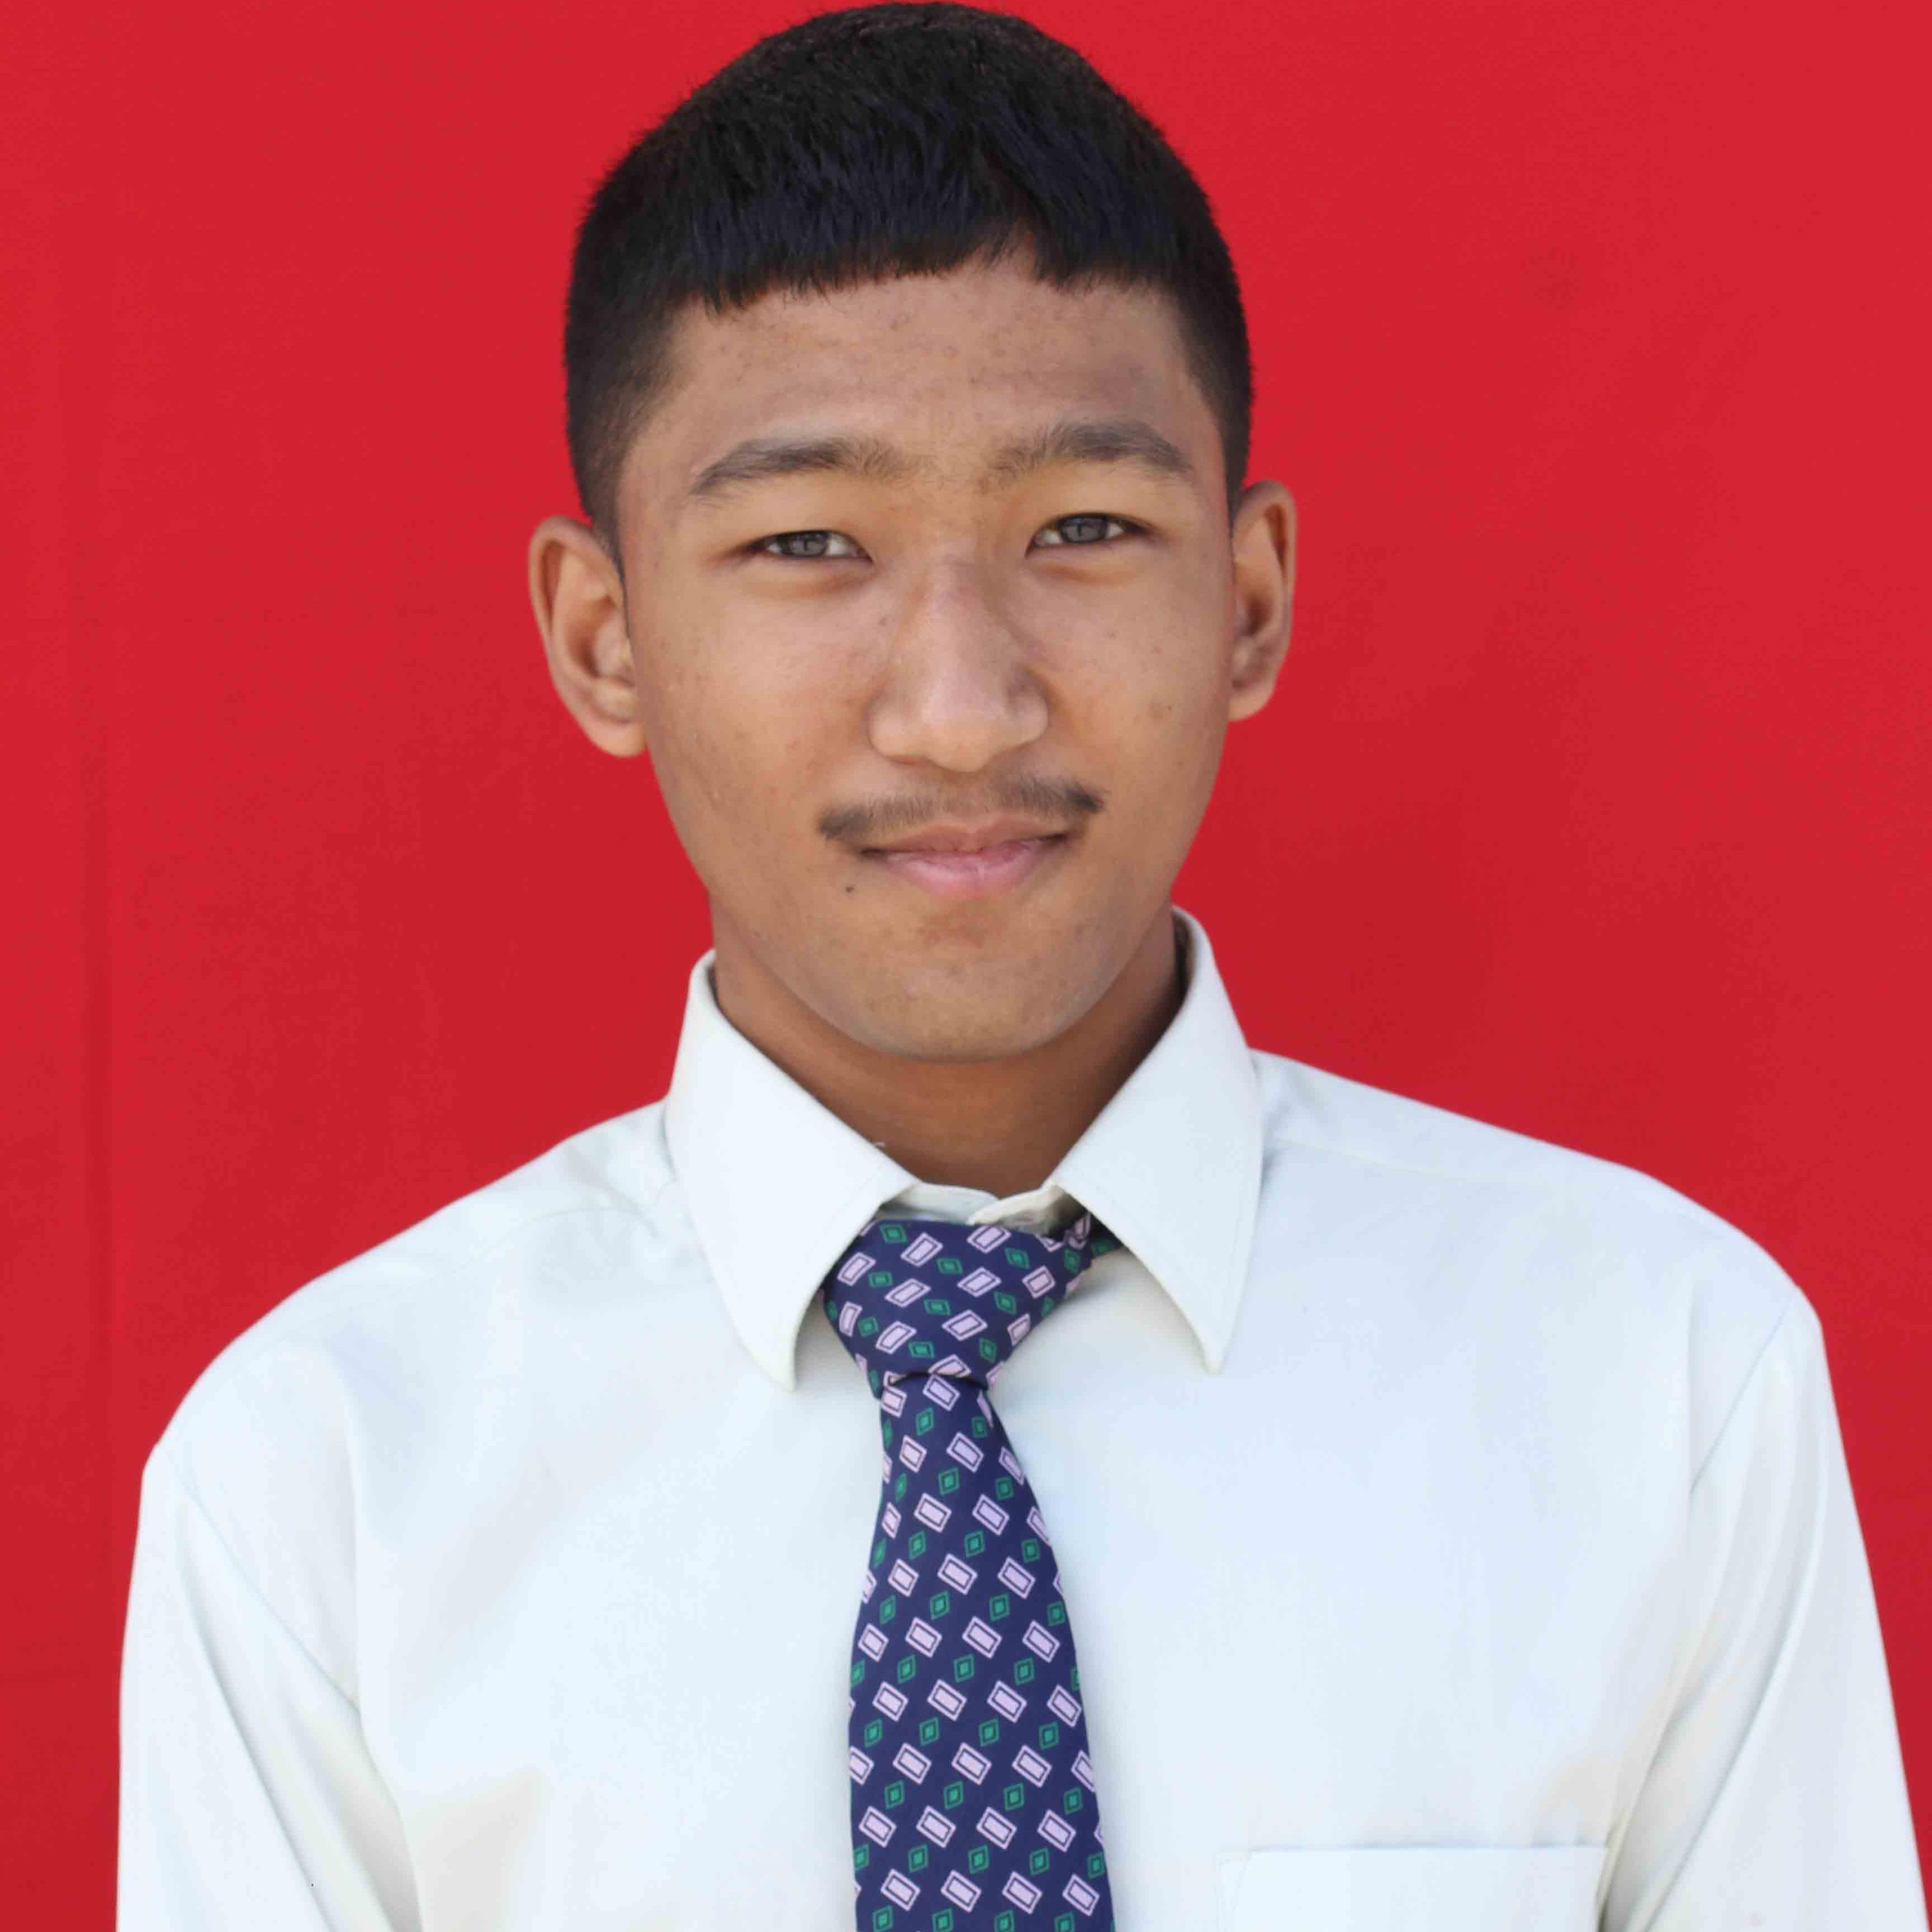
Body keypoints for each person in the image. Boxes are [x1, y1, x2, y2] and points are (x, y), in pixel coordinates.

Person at [116, 5, 1925, 1928]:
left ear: (1248, 600)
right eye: (808, 544)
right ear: (602, 637)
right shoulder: (326, 1486)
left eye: (1084, 527)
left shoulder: (1658, 1381)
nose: (962, 708)